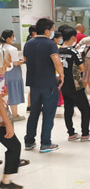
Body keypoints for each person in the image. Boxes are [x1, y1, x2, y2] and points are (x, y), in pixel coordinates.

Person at [23, 18, 64, 153]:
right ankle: (45, 143)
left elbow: (26, 60)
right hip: (48, 83)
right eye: (52, 30)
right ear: (47, 30)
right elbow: (56, 61)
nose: (52, 32)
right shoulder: (50, 44)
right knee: (48, 114)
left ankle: (29, 141)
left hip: (34, 84)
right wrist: (62, 75)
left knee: (34, 113)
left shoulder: (28, 43)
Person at [59, 26, 90, 142]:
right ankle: (85, 134)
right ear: (73, 37)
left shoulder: (58, 50)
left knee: (68, 108)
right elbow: (82, 68)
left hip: (63, 84)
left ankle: (71, 133)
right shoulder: (73, 51)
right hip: (76, 84)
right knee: (85, 108)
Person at [0, 46, 28, 189]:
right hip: (1, 121)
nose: (11, 61)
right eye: (9, 59)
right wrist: (7, 123)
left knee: (14, 146)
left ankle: (6, 181)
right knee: (14, 146)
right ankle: (6, 182)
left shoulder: (2, 75)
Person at [1, 30, 25, 121]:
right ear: (8, 38)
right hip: (13, 72)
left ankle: (4, 115)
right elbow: (15, 63)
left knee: (4, 93)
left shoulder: (1, 47)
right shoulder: (12, 49)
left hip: (3, 72)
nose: (14, 38)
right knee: (13, 92)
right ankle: (15, 115)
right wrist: (23, 61)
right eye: (13, 36)